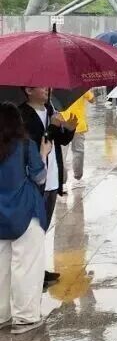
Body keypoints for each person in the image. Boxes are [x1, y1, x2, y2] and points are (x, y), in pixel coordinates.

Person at [18, 87, 75, 288]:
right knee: (31, 232)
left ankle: (38, 269)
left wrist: (68, 129)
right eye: (42, 86)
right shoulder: (22, 115)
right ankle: (30, 274)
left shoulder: (49, 110)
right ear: (28, 90)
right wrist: (51, 127)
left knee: (42, 229)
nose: (47, 89)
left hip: (51, 180)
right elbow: (36, 142)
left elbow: (58, 140)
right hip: (34, 182)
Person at [0, 102, 49, 334]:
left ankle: (1, 315)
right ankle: (26, 317)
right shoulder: (25, 145)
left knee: (1, 268)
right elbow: (39, 177)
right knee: (26, 265)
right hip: (25, 212)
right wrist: (43, 153)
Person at [59, 90, 94, 188]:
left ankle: (62, 182)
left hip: (62, 124)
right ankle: (78, 179)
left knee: (61, 154)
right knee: (78, 152)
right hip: (78, 124)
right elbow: (92, 100)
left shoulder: (56, 86)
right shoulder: (81, 86)